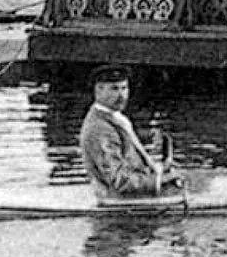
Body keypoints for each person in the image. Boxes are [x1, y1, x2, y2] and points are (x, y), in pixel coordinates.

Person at [77, 64, 181, 199]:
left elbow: (130, 161)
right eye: (114, 89)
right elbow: (120, 182)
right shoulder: (100, 129)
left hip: (134, 192)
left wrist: (160, 169)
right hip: (120, 200)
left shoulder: (114, 117)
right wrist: (161, 180)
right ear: (99, 90)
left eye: (124, 88)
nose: (121, 96)